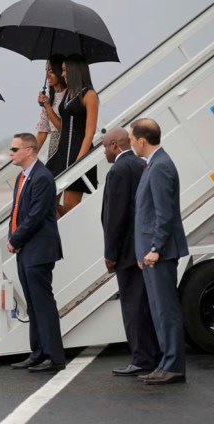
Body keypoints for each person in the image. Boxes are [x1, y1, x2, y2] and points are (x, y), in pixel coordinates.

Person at [130, 118, 188, 385]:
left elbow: (164, 215)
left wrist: (155, 249)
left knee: (166, 310)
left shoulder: (161, 166)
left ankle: (173, 365)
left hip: (160, 253)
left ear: (142, 140)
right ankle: (166, 363)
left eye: (132, 138)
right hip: (152, 253)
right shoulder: (153, 164)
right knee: (158, 310)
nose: (131, 143)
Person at [101, 128, 160, 376]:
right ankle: (152, 354)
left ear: (115, 145)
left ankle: (141, 359)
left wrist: (110, 253)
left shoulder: (118, 170)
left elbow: (116, 217)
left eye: (104, 146)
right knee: (145, 304)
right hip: (141, 247)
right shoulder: (142, 164)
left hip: (125, 251)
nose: (103, 151)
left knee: (132, 306)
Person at [7, 133, 66, 373]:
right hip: (26, 249)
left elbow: (36, 216)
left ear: (29, 150)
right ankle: (38, 352)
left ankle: (54, 357)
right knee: (33, 304)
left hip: (38, 249)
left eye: (14, 149)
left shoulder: (42, 177)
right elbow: (18, 213)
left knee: (43, 304)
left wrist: (15, 239)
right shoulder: (23, 177)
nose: (10, 153)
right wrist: (16, 239)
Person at [45, 54, 99, 216]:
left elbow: (90, 132)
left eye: (64, 70)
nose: (62, 74)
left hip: (78, 154)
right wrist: (47, 106)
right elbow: (63, 126)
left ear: (75, 70)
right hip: (61, 155)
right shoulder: (68, 93)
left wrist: (79, 162)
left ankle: (67, 236)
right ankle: (58, 235)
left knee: (70, 208)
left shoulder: (89, 95)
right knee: (46, 201)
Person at [35, 55, 66, 159]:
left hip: (65, 144)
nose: (47, 75)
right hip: (53, 146)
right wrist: (30, 157)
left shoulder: (69, 95)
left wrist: (47, 106)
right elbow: (42, 132)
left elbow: (62, 128)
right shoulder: (50, 99)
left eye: (51, 71)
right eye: (46, 71)